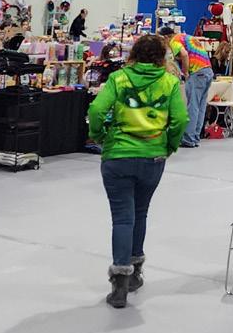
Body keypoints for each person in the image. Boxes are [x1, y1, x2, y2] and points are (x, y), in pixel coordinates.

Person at [88, 34, 188, 308]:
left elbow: (97, 110)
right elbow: (180, 119)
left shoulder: (119, 78)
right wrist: (169, 145)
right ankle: (135, 274)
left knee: (123, 218)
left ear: (134, 54)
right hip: (153, 157)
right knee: (141, 212)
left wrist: (99, 135)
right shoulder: (169, 82)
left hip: (118, 155)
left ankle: (119, 284)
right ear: (161, 57)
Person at [160, 26, 214, 148]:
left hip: (197, 73)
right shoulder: (186, 37)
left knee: (192, 106)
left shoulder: (174, 40)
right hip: (208, 70)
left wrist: (185, 72)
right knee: (200, 107)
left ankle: (188, 139)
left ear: (166, 37)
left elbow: (184, 54)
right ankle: (195, 137)